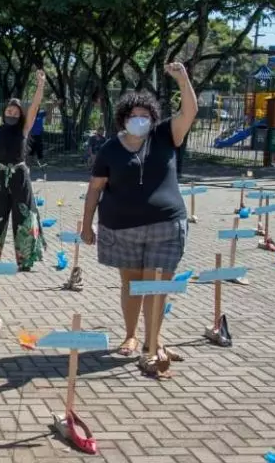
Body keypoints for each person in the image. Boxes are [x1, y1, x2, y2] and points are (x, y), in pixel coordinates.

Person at [80, 62, 197, 378]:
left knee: (157, 286)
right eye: (134, 115)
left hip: (166, 226)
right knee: (132, 285)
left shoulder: (165, 135)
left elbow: (189, 111)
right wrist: (86, 224)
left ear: (153, 118)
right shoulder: (109, 149)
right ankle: (131, 335)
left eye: (145, 115)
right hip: (122, 228)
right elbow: (95, 189)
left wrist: (183, 79)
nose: (140, 120)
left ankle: (152, 343)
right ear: (123, 118)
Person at [0, 70, 47, 278]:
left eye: (16, 112)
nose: (12, 114)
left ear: (20, 115)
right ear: (4, 112)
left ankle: (26, 259)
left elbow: (34, 107)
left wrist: (40, 85)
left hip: (20, 176)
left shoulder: (24, 129)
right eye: (9, 111)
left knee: (24, 216)